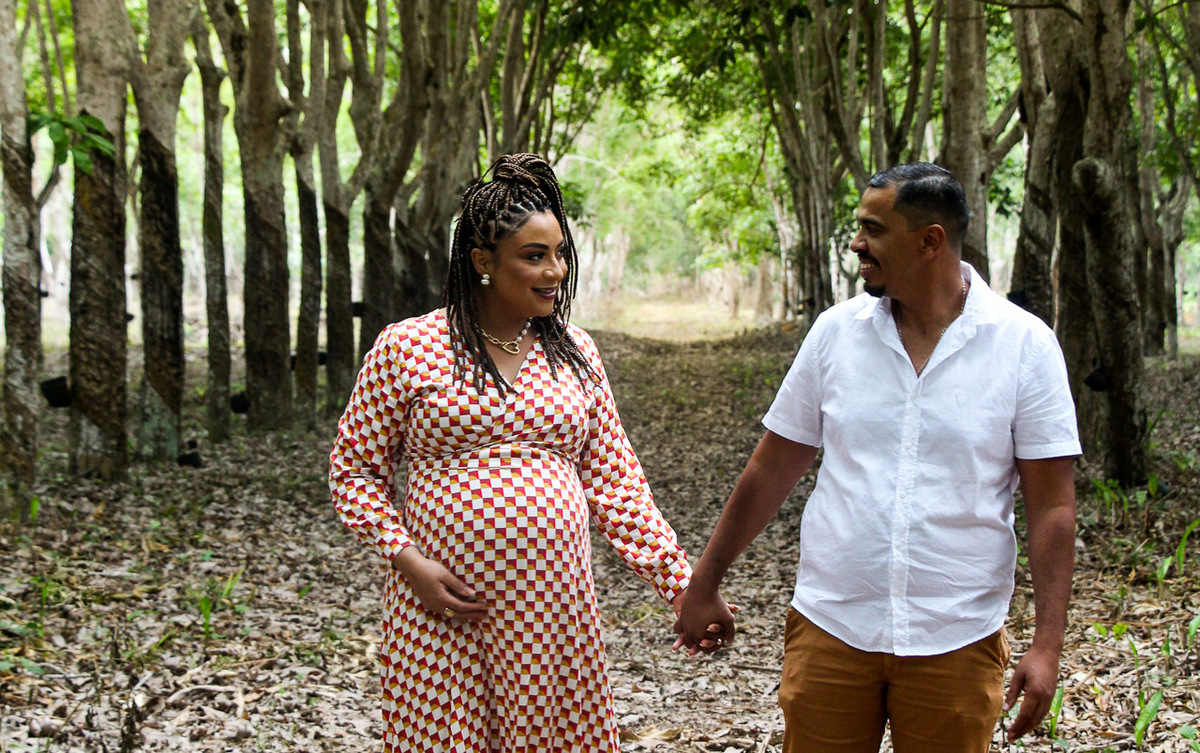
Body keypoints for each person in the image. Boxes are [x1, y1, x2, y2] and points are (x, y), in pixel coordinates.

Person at [674, 162, 1080, 752]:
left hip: (957, 639)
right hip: (832, 628)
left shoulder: (1025, 347)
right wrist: (703, 582)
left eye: (872, 229)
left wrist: (1047, 647)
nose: (857, 244)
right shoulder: (836, 333)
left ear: (930, 241)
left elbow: (1052, 508)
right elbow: (771, 468)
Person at [330, 153, 717, 752]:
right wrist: (409, 563)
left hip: (552, 615)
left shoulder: (575, 352)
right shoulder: (408, 347)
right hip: (441, 613)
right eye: (534, 256)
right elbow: (354, 471)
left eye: (560, 254)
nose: (555, 271)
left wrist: (683, 586)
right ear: (483, 262)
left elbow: (617, 485)